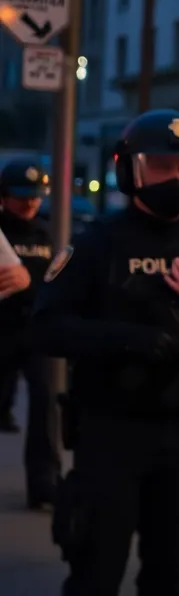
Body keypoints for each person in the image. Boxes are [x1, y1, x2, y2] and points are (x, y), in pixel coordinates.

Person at [31, 109, 179, 596]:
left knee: (174, 574)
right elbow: (47, 328)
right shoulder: (97, 243)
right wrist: (126, 339)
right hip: (112, 432)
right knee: (96, 570)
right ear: (131, 170)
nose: (177, 178)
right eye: (162, 165)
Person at [0, 161, 61, 508]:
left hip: (36, 333)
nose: (30, 204)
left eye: (36, 197)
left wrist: (30, 282)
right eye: (22, 197)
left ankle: (44, 484)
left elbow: (58, 285)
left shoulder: (46, 234)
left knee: (45, 403)